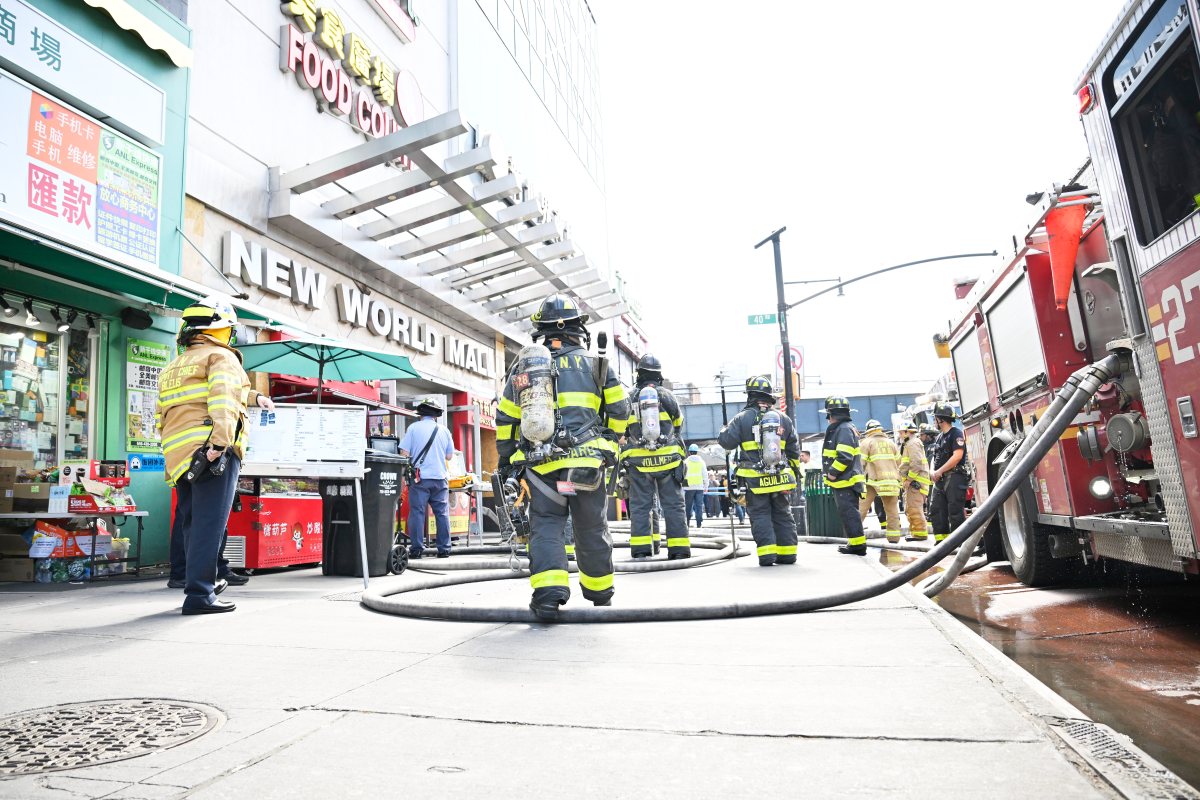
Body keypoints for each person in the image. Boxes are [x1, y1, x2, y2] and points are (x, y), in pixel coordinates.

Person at [495, 294, 630, 620]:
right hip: (585, 466)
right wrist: (608, 440)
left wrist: (507, 458)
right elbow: (620, 411)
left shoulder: (526, 369)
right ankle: (600, 592)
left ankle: (548, 595)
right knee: (590, 525)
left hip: (542, 468)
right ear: (578, 330)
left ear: (540, 331)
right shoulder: (597, 365)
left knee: (546, 526)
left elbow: (505, 420)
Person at [156, 295, 274, 615]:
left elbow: (161, 415)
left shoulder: (173, 366)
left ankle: (197, 582)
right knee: (211, 525)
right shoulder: (222, 357)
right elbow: (223, 400)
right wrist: (219, 445)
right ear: (220, 328)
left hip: (179, 454)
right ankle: (200, 594)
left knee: (192, 523)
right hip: (210, 450)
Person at [718, 376, 801, 566]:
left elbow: (726, 442)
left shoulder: (741, 418)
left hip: (755, 480)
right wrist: (794, 474)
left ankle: (767, 555)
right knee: (782, 513)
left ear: (750, 396)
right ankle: (788, 554)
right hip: (780, 478)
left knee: (761, 515)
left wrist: (725, 430)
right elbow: (794, 449)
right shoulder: (784, 419)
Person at [621, 354, 690, 559]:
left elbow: (621, 427)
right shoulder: (667, 396)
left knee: (641, 506)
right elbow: (678, 424)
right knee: (674, 505)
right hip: (668, 461)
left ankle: (642, 550)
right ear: (659, 375)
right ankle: (679, 550)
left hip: (639, 463)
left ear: (638, 374)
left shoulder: (630, 396)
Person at [400, 398, 457, 559]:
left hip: (420, 479)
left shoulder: (413, 428)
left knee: (417, 513)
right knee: (442, 513)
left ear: (420, 414)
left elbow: (403, 453)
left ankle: (417, 549)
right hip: (440, 478)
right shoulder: (444, 430)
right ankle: (444, 549)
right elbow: (449, 456)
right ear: (436, 416)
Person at [821, 396, 867, 556]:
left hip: (845, 481)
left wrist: (832, 473)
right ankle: (855, 544)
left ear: (831, 414)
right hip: (844, 481)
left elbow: (844, 456)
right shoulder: (844, 428)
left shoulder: (843, 429)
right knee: (848, 513)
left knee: (849, 514)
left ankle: (858, 546)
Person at [929, 404, 971, 544]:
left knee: (955, 511)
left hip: (955, 477)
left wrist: (939, 471)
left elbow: (957, 456)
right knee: (937, 510)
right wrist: (933, 471)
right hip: (940, 480)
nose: (934, 421)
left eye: (935, 418)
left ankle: (958, 543)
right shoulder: (940, 437)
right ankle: (942, 543)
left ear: (940, 419)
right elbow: (935, 458)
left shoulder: (956, 434)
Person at [857, 420, 902, 544]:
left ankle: (854, 537)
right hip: (892, 481)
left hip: (873, 481)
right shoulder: (891, 443)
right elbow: (899, 462)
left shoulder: (866, 443)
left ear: (869, 431)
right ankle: (894, 538)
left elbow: (861, 464)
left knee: (861, 508)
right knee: (892, 511)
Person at [898, 421, 932, 542]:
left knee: (914, 509)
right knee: (910, 509)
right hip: (913, 482)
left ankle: (920, 534)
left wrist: (909, 479)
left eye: (901, 432)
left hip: (915, 483)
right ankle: (916, 533)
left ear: (907, 432)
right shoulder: (910, 443)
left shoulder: (912, 444)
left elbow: (916, 463)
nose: (899, 434)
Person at [683, 443, 709, 529]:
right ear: (697, 452)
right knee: (699, 506)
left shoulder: (685, 462)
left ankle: (687, 523)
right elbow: (705, 475)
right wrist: (706, 486)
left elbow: (683, 475)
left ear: (689, 452)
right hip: (699, 488)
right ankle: (699, 524)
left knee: (688, 506)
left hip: (688, 488)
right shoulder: (701, 462)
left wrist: (683, 487)